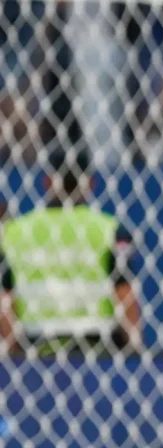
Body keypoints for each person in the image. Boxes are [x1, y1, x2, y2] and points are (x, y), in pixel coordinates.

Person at [0, 150, 141, 357]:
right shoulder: (110, 230)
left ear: (47, 182)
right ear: (91, 183)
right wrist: (135, 350)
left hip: (37, 352)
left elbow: (5, 300)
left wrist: (13, 355)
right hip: (100, 353)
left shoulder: (15, 232)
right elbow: (124, 294)